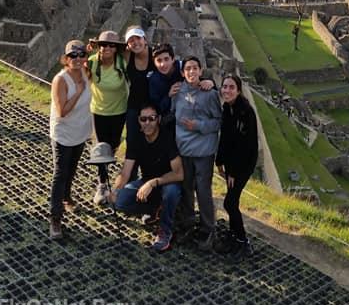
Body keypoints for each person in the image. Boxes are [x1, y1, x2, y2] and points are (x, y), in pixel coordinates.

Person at [110, 102, 184, 253]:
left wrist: (153, 182)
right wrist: (115, 190)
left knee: (171, 192)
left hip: (167, 182)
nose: (148, 123)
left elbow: (179, 174)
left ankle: (165, 230)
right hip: (146, 181)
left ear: (158, 119)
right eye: (144, 119)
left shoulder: (167, 138)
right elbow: (125, 173)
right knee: (121, 201)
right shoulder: (136, 140)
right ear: (139, 121)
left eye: (151, 118)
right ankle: (156, 211)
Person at [174, 55, 222, 251]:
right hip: (183, 150)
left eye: (195, 68)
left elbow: (218, 121)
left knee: (203, 191)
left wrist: (199, 125)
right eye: (188, 69)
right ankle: (187, 223)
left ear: (201, 71)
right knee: (186, 188)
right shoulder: (177, 91)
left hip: (203, 152)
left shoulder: (209, 93)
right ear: (182, 73)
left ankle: (208, 227)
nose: (191, 72)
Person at [49, 39, 91, 240]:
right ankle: (55, 218)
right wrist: (80, 91)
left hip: (81, 131)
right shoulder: (61, 80)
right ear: (66, 59)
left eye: (81, 55)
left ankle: (67, 198)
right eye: (72, 56)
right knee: (60, 173)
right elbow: (62, 110)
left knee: (72, 168)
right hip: (64, 134)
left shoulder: (86, 72)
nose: (77, 59)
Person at [216, 74, 258, 258]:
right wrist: (219, 161)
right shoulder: (228, 108)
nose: (227, 90)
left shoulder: (245, 112)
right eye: (224, 86)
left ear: (238, 90)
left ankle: (243, 242)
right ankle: (233, 236)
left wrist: (233, 172)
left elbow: (244, 146)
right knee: (233, 201)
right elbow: (225, 139)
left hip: (243, 164)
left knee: (230, 202)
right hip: (232, 163)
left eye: (231, 87)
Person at [88, 30, 129, 205]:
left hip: (119, 111)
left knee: (112, 149)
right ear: (98, 46)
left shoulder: (122, 63)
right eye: (103, 44)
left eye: (111, 45)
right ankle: (102, 184)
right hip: (98, 112)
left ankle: (117, 179)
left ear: (116, 49)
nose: (107, 48)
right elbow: (73, 63)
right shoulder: (91, 63)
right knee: (101, 151)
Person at [124, 26, 153, 153]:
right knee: (132, 142)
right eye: (131, 40)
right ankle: (132, 171)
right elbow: (106, 53)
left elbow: (179, 67)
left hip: (154, 107)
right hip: (133, 106)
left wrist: (206, 80)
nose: (135, 42)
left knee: (151, 142)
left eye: (138, 38)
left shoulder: (155, 55)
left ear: (145, 40)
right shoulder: (127, 55)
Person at [148, 43, 183, 122]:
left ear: (173, 59)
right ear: (154, 62)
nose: (163, 64)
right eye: (159, 60)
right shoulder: (154, 80)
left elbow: (200, 77)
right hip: (168, 118)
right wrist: (169, 95)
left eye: (166, 59)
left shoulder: (184, 68)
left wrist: (208, 82)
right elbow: (156, 107)